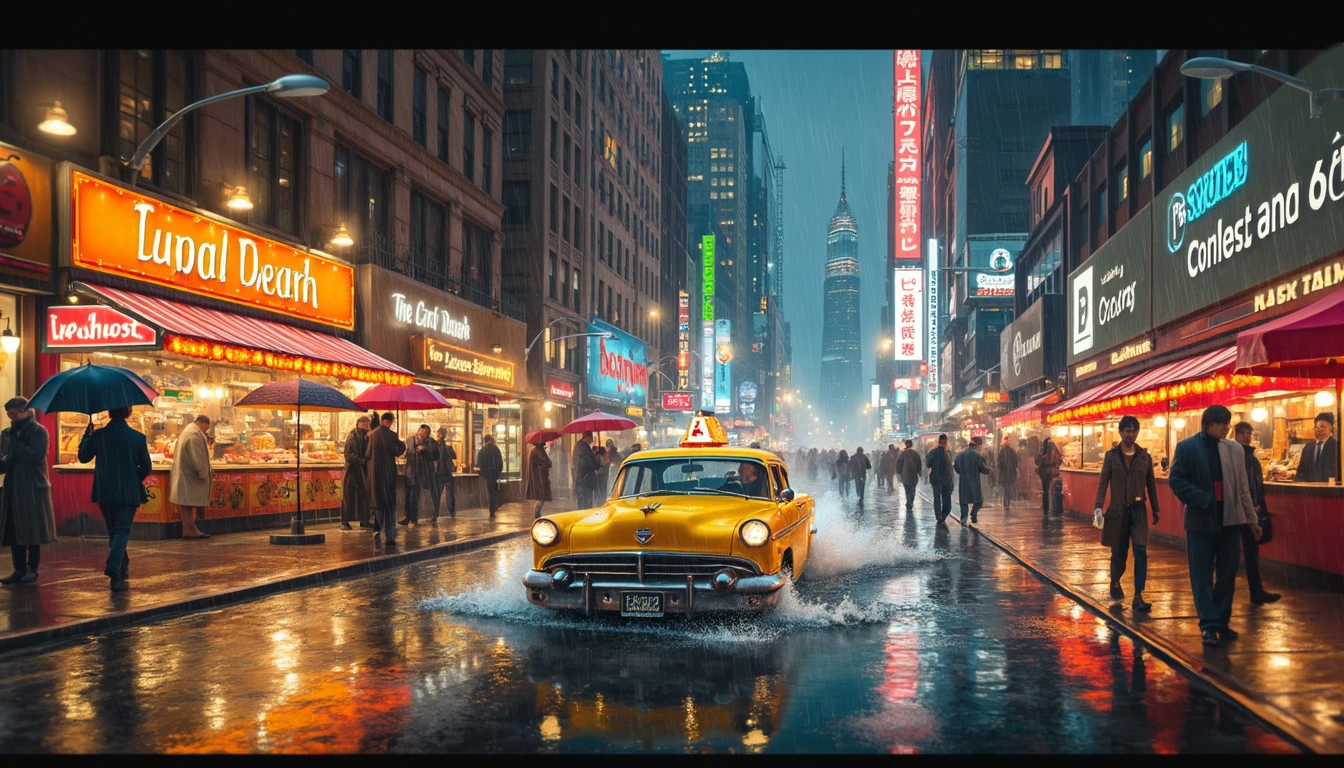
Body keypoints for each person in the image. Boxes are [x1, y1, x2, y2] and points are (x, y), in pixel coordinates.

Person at [1168, 405, 1261, 648]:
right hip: (1201, 521)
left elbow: (1243, 487)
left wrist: (1251, 519)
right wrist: (1202, 498)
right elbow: (1176, 479)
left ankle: (1221, 620)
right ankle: (1208, 624)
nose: (1226, 427)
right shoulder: (1187, 447)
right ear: (1208, 424)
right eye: (1222, 423)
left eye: (1228, 423)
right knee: (1202, 575)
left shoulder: (1234, 449)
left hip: (1230, 519)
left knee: (1228, 573)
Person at [74, 405, 150, 592]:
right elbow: (146, 466)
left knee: (113, 530)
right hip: (128, 491)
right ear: (128, 413)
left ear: (109, 413)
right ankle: (114, 564)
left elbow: (83, 457)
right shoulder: (137, 437)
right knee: (122, 530)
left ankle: (121, 569)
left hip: (105, 490)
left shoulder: (99, 436)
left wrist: (87, 435)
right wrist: (134, 479)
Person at [1094, 415, 1161, 612]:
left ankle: (1138, 595)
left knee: (1141, 552)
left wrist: (1156, 508)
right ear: (1121, 432)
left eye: (1133, 431)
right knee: (1119, 553)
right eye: (1127, 431)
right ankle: (1115, 581)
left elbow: (1151, 485)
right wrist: (1098, 507)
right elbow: (1103, 483)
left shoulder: (1144, 457)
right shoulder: (1111, 456)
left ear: (1137, 432)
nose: (1130, 434)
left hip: (1139, 511)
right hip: (1117, 512)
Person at [0, 397, 58, 586]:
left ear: (26, 411)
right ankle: (18, 569)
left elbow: (34, 456)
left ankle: (32, 568)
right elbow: (4, 462)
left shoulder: (38, 432)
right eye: (9, 415)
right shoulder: (6, 434)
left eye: (15, 414)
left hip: (32, 487)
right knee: (15, 530)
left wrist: (15, 445)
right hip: (13, 488)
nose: (12, 418)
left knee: (33, 530)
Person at [1233, 422, 1281, 605]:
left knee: (1251, 551)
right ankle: (1250, 591)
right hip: (1238, 511)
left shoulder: (1251, 458)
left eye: (1249, 433)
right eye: (1243, 433)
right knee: (1236, 553)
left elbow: (1256, 484)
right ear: (1235, 435)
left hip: (1251, 511)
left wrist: (1260, 504)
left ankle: (1256, 590)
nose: (1246, 436)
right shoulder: (1235, 455)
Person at [169, 414, 213, 539]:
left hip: (186, 474)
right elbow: (196, 455)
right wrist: (202, 472)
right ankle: (189, 529)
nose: (206, 431)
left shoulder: (189, 431)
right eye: (206, 428)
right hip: (190, 475)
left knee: (187, 504)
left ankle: (189, 528)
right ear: (202, 423)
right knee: (188, 502)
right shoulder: (194, 434)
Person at [365, 412, 406, 545]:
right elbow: (399, 450)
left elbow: (367, 455)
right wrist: (400, 445)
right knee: (389, 504)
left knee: (377, 503)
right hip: (388, 474)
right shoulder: (391, 435)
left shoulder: (371, 435)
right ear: (389, 421)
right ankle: (390, 535)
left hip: (374, 475)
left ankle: (376, 530)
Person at [400, 423, 440, 527]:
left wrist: (425, 449)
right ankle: (407, 516)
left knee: (414, 496)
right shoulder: (409, 440)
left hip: (422, 473)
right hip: (410, 471)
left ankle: (414, 518)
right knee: (408, 496)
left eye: (426, 432)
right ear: (418, 430)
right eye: (422, 431)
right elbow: (404, 453)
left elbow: (436, 456)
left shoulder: (431, 442)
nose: (423, 434)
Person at [340, 416, 371, 530]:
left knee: (364, 495)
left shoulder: (367, 436)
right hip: (352, 469)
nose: (365, 425)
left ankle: (364, 519)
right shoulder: (352, 436)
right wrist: (361, 461)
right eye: (363, 423)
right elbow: (348, 454)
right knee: (349, 495)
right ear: (358, 424)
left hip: (363, 469)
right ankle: (345, 521)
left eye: (367, 423)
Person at [954, 436, 991, 525]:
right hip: (974, 481)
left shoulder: (959, 455)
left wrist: (961, 472)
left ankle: (964, 518)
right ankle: (973, 515)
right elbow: (983, 468)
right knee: (978, 501)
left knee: (964, 501)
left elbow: (955, 466)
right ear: (975, 446)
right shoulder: (977, 455)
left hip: (963, 481)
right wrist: (990, 470)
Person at [1295, 412, 1338, 483]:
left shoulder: (1336, 446)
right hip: (1308, 490)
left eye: (1322, 426)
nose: (1318, 429)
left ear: (1331, 428)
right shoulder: (1308, 446)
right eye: (1316, 427)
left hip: (1329, 490)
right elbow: (1300, 471)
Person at [925, 435, 954, 525]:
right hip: (939, 479)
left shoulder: (947, 452)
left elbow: (928, 463)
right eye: (944, 440)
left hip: (942, 479)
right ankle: (940, 517)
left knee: (941, 499)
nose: (945, 442)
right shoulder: (936, 452)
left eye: (946, 440)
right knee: (941, 499)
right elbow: (928, 463)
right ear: (940, 441)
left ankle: (941, 516)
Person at [433, 427, 458, 520]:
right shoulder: (436, 447)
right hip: (440, 473)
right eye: (438, 434)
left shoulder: (447, 447)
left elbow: (454, 456)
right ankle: (435, 514)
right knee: (438, 494)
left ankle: (451, 512)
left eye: (439, 434)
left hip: (446, 473)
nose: (438, 436)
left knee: (449, 494)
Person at [477, 433, 504, 518]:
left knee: (489, 491)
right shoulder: (496, 449)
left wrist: (484, 473)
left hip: (487, 474)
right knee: (494, 491)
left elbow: (479, 464)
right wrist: (498, 471)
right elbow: (500, 462)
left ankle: (491, 509)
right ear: (490, 440)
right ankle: (494, 506)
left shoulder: (482, 450)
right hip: (495, 473)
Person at [571, 431, 599, 509]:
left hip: (580, 480)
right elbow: (590, 463)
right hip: (586, 481)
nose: (592, 440)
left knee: (581, 502)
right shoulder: (585, 448)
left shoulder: (578, 445)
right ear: (586, 437)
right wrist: (598, 464)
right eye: (591, 438)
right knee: (587, 503)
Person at [526, 441, 553, 519]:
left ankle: (537, 513)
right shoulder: (539, 451)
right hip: (540, 478)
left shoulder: (533, 450)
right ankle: (537, 513)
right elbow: (547, 462)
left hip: (536, 478)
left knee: (540, 497)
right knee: (541, 497)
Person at [1037, 436, 1063, 514]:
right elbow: (1057, 460)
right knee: (1049, 490)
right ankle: (1049, 507)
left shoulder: (1044, 452)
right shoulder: (1054, 450)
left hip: (1045, 473)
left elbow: (1041, 462)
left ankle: (1046, 508)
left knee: (1046, 490)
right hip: (1051, 472)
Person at [896, 440, 922, 513]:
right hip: (914, 475)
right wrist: (919, 472)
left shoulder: (902, 454)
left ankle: (909, 501)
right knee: (912, 489)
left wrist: (899, 472)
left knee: (907, 489)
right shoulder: (916, 454)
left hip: (905, 475)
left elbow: (898, 464)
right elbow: (919, 464)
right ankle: (910, 502)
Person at [996, 437, 1020, 510]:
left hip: (1004, 474)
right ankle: (1007, 504)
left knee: (1005, 489)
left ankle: (1005, 504)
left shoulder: (1002, 451)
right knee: (1008, 489)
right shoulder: (1012, 451)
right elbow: (1016, 461)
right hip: (1010, 474)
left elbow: (998, 462)